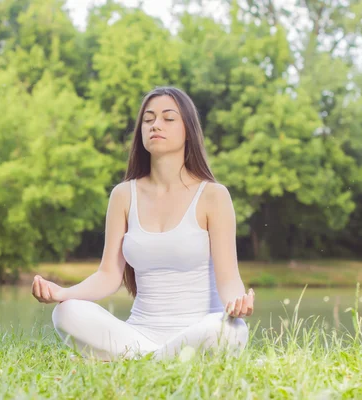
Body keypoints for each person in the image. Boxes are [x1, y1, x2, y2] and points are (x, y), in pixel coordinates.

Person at [31, 86, 254, 361]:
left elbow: (229, 278)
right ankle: (161, 359)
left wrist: (236, 303)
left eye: (168, 118)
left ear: (189, 130)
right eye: (148, 119)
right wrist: (62, 293)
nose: (155, 125)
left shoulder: (213, 195)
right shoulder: (123, 195)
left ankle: (138, 361)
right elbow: (108, 275)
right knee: (66, 312)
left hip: (198, 331)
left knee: (229, 331)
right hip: (138, 333)